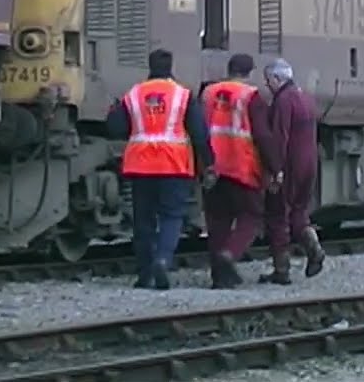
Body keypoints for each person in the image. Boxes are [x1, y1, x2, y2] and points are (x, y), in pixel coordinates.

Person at [106, 48, 217, 290]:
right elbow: (199, 134)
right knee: (171, 216)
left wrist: (113, 112)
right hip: (173, 166)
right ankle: (163, 259)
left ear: (150, 66)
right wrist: (209, 163)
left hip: (140, 166)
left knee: (143, 220)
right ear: (170, 67)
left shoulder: (134, 94)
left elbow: (115, 128)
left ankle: (144, 274)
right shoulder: (183, 95)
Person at [200, 53, 274, 289]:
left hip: (213, 167)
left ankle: (219, 277)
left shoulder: (208, 93)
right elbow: (263, 136)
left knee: (217, 221)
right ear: (250, 72)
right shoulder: (251, 96)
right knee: (252, 216)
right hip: (242, 166)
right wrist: (274, 166)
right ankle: (229, 254)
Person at [259, 58, 326, 285]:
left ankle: (282, 270)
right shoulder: (305, 98)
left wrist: (275, 169)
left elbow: (280, 138)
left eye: (268, 80)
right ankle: (314, 249)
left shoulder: (283, 101)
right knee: (299, 211)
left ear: (277, 78)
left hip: (289, 165)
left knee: (277, 215)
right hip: (309, 163)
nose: (267, 85)